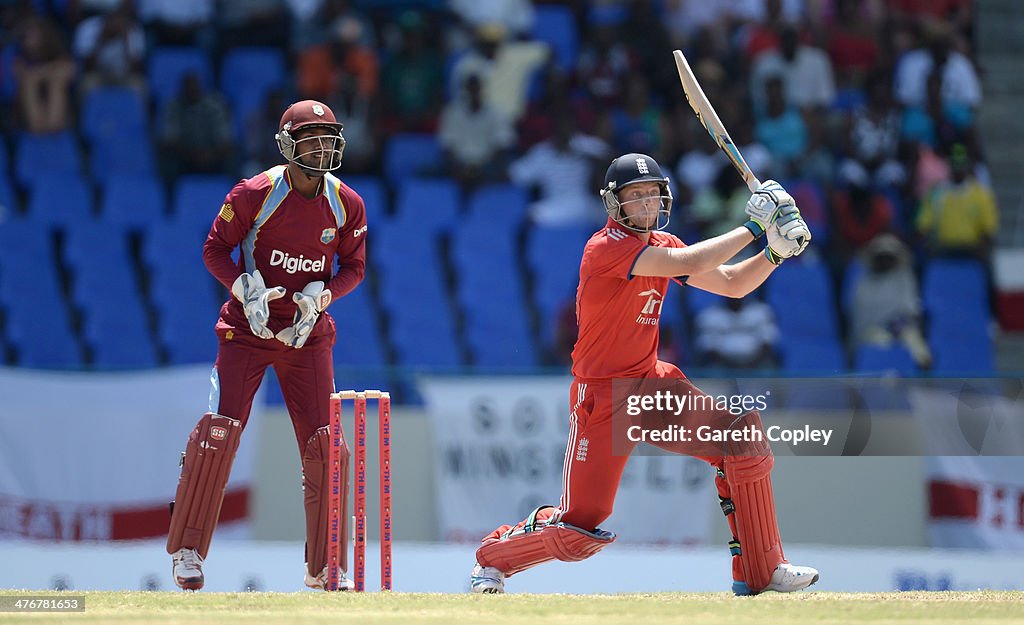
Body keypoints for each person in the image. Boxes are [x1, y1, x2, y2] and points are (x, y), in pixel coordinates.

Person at [469, 153, 818, 595]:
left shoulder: (665, 244)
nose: (645, 204)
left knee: (741, 442)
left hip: (651, 385)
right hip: (603, 398)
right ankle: (492, 560)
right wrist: (754, 226)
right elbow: (687, 261)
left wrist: (774, 252)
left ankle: (762, 572)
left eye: (651, 194)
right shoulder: (605, 248)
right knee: (579, 529)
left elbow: (731, 283)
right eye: (634, 196)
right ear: (614, 204)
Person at [166, 100, 367, 592]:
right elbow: (215, 249)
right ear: (287, 145)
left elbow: (353, 267)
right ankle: (188, 551)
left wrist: (322, 296)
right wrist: (243, 288)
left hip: (306, 333)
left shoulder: (347, 203)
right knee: (220, 432)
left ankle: (324, 566)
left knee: (324, 446)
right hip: (246, 330)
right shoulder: (257, 192)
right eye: (310, 138)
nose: (322, 147)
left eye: (328, 137)